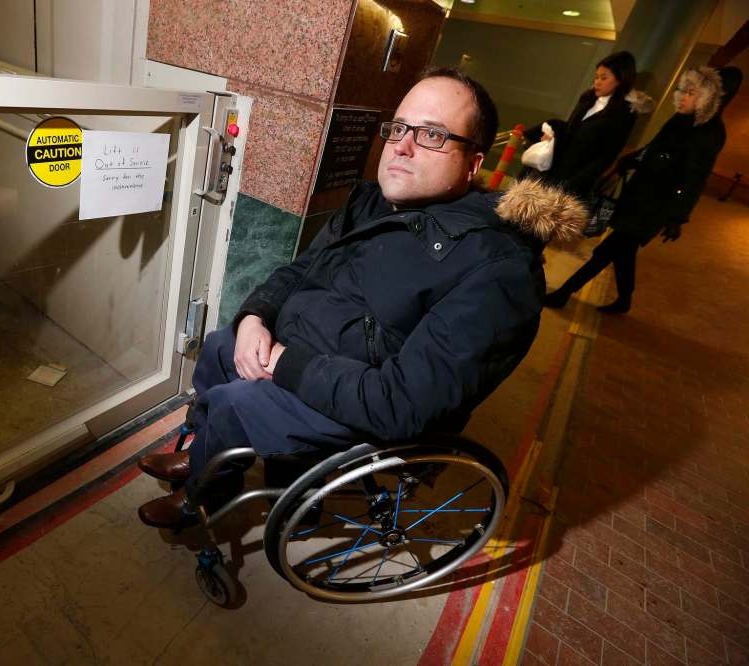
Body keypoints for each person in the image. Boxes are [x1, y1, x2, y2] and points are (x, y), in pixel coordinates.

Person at [136, 67, 587, 529]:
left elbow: (404, 403)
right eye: (399, 128)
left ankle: (203, 496)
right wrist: (256, 316)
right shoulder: (371, 204)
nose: (402, 145)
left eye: (432, 134)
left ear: (472, 164)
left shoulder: (499, 270)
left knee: (238, 402)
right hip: (301, 353)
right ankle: (210, 459)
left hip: (358, 399)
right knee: (219, 345)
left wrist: (283, 364)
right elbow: (299, 271)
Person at [543, 65, 741, 314]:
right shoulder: (679, 120)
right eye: (684, 90)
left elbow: (695, 178)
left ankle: (564, 293)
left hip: (657, 205)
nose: (683, 97)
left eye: (691, 93)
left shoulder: (711, 133)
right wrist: (631, 160)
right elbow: (654, 147)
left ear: (709, 100)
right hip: (639, 194)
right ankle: (625, 300)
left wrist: (677, 216)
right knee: (624, 253)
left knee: (608, 250)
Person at [522, 51, 653, 199]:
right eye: (596, 76)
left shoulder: (624, 113)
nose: (597, 82)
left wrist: (573, 184)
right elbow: (572, 129)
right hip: (550, 169)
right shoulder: (588, 97)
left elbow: (606, 156)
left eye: (604, 78)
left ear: (621, 79)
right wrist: (553, 135)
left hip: (571, 181)